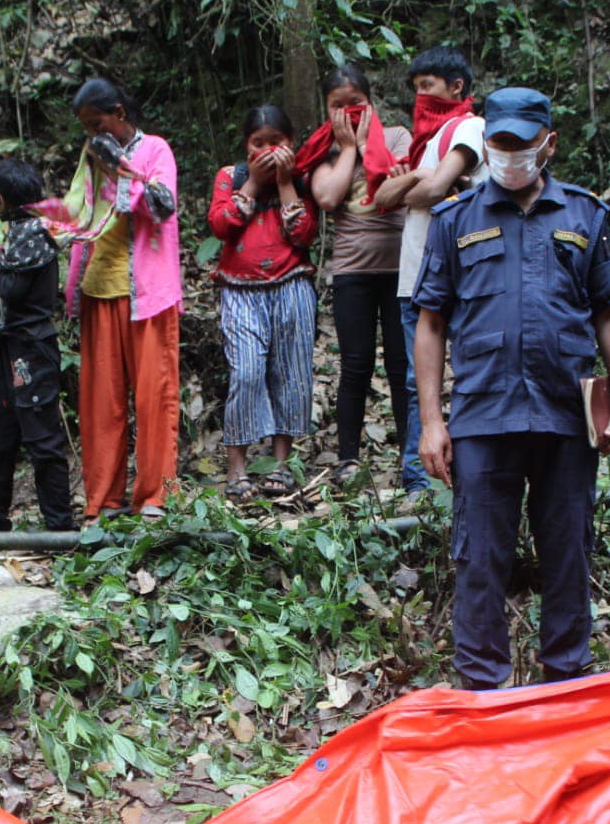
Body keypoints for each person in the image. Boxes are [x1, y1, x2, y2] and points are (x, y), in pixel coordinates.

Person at [413, 87, 610, 688]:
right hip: (484, 417)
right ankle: (482, 695)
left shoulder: (584, 216)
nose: (508, 155)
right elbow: (430, 323)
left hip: (567, 415)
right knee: (480, 562)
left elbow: (609, 312)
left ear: (549, 144)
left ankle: (565, 685)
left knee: (567, 555)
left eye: (520, 144)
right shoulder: (455, 221)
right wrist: (432, 422)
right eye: (498, 144)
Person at [51, 77, 182, 522]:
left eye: (98, 123)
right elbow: (76, 213)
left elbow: (164, 207)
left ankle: (155, 497)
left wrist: (123, 171)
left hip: (148, 294)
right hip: (99, 290)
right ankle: (102, 500)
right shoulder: (90, 157)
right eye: (87, 128)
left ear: (120, 114)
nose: (93, 135)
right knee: (100, 404)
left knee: (154, 396)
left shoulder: (155, 150)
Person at [373, 46, 485, 496]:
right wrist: (423, 182)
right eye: (416, 88)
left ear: (457, 87)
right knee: (418, 382)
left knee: (468, 373)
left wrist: (419, 183)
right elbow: (382, 197)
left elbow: (433, 189)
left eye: (429, 86)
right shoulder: (426, 144)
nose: (420, 97)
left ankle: (466, 476)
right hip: (414, 275)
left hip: (463, 275)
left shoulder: (471, 127)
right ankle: (419, 484)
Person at [298, 65, 413, 487]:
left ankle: (410, 456)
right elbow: (328, 196)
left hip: (401, 269)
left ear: (371, 102)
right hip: (352, 271)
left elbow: (405, 183)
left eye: (355, 103)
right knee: (356, 364)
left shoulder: (399, 137)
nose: (347, 111)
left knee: (402, 367)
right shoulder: (320, 151)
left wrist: (371, 145)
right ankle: (348, 459)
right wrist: (351, 148)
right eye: (337, 105)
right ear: (325, 110)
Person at [207, 104, 318, 500]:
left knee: (291, 374)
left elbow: (304, 235)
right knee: (247, 374)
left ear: (291, 144)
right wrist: (252, 183)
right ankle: (237, 466)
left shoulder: (303, 179)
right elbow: (220, 225)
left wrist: (286, 182)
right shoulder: (230, 177)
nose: (268, 150)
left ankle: (281, 465)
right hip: (240, 290)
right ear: (245, 145)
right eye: (259, 143)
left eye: (277, 143)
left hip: (291, 286)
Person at [0, 158, 76, 531]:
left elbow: (10, 289)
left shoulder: (30, 235)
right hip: (12, 347)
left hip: (31, 349)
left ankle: (60, 530)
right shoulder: (23, 232)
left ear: (0, 201)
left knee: (42, 438)